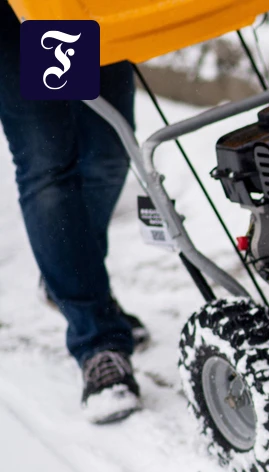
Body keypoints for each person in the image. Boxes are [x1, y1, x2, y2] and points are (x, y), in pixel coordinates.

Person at [0, 4, 147, 424]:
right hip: (12, 18)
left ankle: (68, 280)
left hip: (80, 5)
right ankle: (97, 338)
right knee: (48, 167)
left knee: (108, 151)